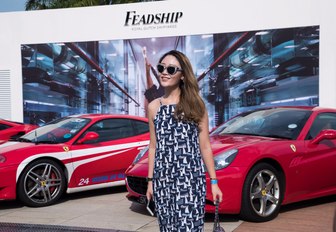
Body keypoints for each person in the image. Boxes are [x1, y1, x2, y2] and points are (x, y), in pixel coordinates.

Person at [146, 50, 223, 231]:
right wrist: (150, 182)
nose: (164, 72)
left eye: (171, 69)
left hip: (190, 179)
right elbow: (153, 147)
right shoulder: (153, 107)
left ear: (182, 75)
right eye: (161, 68)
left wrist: (214, 182)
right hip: (163, 180)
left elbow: (204, 146)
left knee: (188, 227)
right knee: (167, 228)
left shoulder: (196, 104)